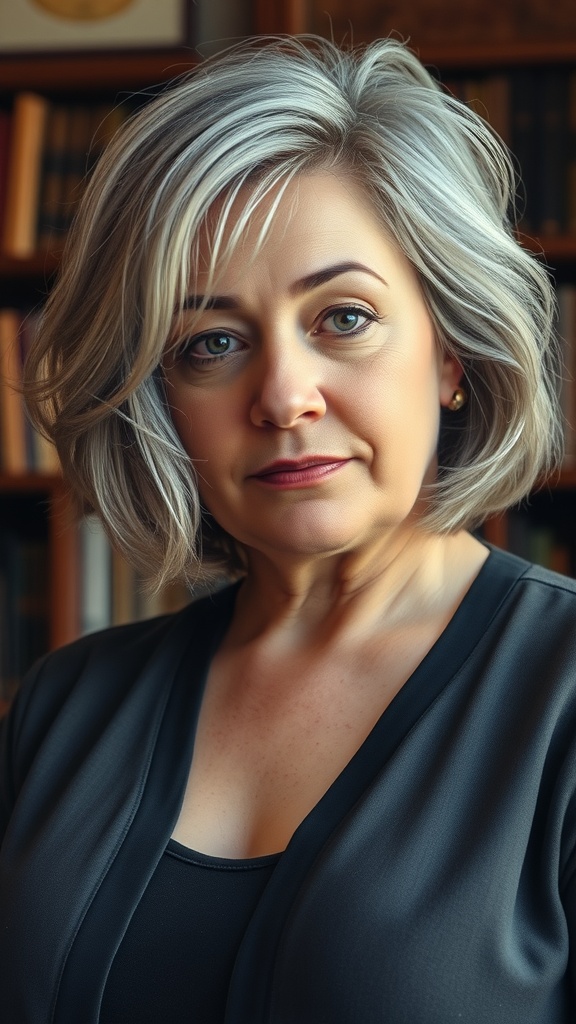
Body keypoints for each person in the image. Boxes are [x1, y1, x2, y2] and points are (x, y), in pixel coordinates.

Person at [1, 33, 575, 1024]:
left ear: (450, 351)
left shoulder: (560, 691)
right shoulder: (68, 705)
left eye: (342, 317)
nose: (282, 396)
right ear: (157, 395)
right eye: (210, 343)